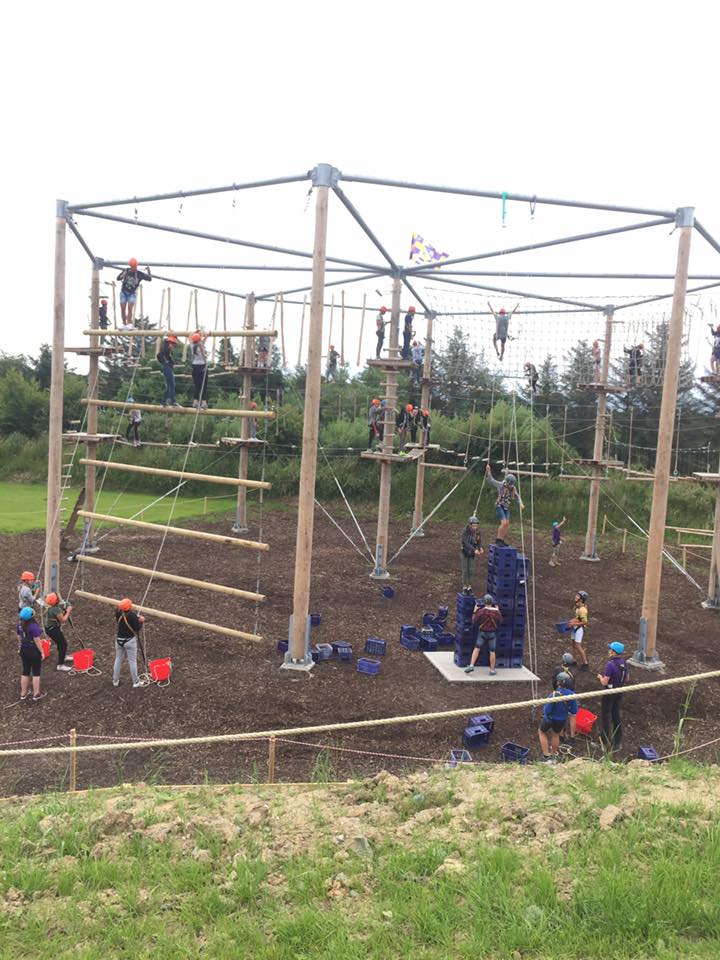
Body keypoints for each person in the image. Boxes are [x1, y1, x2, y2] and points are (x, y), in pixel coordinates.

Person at [538, 672, 578, 763]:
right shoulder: (572, 695)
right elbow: (574, 711)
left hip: (550, 719)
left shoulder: (554, 694)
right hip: (561, 720)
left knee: (541, 732)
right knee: (556, 735)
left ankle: (545, 755)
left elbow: (547, 710)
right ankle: (552, 756)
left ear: (558, 683)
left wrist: (546, 714)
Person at [598, 641, 628, 752]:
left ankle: (604, 743)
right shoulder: (624, 663)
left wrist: (600, 677)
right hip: (619, 692)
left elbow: (604, 682)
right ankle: (618, 742)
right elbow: (626, 679)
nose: (609, 651)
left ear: (614, 652)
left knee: (606, 717)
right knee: (616, 716)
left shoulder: (610, 665)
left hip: (608, 694)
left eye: (610, 649)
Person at [485, 465, 523, 546]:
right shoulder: (501, 485)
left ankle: (501, 540)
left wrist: (521, 503)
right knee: (504, 523)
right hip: (499, 505)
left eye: (512, 484)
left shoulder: (512, 488)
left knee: (507, 524)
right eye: (510, 484)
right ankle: (498, 540)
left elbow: (517, 496)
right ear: (507, 482)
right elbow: (491, 480)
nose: (511, 486)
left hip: (506, 507)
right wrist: (488, 470)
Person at [465, 594, 502, 675]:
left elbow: (474, 621)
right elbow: (500, 621)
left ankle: (471, 665)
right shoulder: (496, 612)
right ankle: (492, 670)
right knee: (492, 651)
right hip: (492, 634)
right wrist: (498, 610)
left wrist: (475, 611)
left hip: (482, 633)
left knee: (477, 648)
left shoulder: (481, 611)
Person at [113, 597, 146, 688]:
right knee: (132, 661)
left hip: (119, 640)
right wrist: (141, 621)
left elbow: (120, 613)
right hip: (129, 641)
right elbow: (137, 628)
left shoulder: (118, 613)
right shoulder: (132, 616)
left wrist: (137, 618)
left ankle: (115, 681)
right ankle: (135, 682)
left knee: (118, 659)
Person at [17, 607, 47, 701]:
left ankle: (23, 693)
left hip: (24, 650)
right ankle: (36, 694)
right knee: (36, 672)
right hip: (33, 651)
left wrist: (20, 647)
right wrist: (42, 652)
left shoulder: (19, 625)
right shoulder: (33, 626)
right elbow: (37, 640)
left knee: (25, 671)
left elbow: (19, 637)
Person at [116, 258, 151, 327]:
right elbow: (118, 278)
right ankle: (124, 323)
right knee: (123, 308)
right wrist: (123, 275)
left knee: (130, 308)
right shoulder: (126, 270)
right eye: (131, 267)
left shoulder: (139, 274)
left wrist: (149, 271)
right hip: (123, 292)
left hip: (132, 293)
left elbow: (149, 279)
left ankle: (129, 322)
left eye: (134, 267)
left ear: (136, 266)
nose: (133, 269)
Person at [43, 592, 73, 672]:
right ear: (56, 601)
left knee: (60, 643)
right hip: (53, 630)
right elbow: (63, 620)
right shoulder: (56, 609)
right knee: (63, 644)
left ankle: (63, 657)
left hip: (50, 629)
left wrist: (65, 609)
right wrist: (68, 611)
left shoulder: (51, 606)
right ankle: (60, 665)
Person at [459, 516, 484, 595]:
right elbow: (466, 543)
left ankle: (469, 586)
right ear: (470, 525)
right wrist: (474, 549)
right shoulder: (465, 532)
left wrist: (480, 548)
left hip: (472, 554)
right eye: (473, 526)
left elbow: (478, 541)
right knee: (465, 570)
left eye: (476, 526)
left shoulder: (478, 532)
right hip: (465, 552)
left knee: (471, 570)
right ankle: (464, 586)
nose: (475, 527)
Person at [568, 589, 589, 671]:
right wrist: (572, 621)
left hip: (579, 629)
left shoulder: (582, 610)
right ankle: (574, 661)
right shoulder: (577, 606)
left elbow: (584, 622)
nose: (575, 597)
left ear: (581, 599)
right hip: (575, 627)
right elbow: (578, 618)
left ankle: (585, 663)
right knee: (573, 644)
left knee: (577, 645)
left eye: (578, 596)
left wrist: (573, 624)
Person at [157, 335, 180, 407]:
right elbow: (159, 355)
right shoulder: (166, 348)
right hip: (166, 367)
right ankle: (173, 402)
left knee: (169, 386)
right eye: (173, 344)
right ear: (170, 342)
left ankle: (163, 402)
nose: (174, 346)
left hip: (168, 367)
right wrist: (165, 361)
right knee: (172, 385)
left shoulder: (167, 349)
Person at [191, 331, 209, 409]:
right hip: (202, 366)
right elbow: (204, 355)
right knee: (203, 385)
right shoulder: (200, 346)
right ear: (199, 340)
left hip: (194, 367)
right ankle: (204, 403)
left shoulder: (192, 346)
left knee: (197, 385)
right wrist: (206, 364)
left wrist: (195, 332)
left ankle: (195, 402)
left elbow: (190, 336)